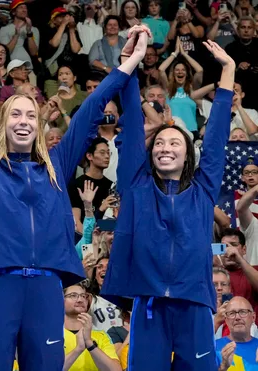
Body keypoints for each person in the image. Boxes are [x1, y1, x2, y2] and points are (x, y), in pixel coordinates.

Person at [0, 11, 147, 368]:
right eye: (15, 115)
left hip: (47, 287)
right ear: (3, 123)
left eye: (29, 116)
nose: (22, 122)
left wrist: (129, 61)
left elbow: (92, 110)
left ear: (38, 125)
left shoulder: (58, 163)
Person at [101, 26, 235, 369]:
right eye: (159, 142)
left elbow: (217, 139)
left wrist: (228, 73)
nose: (165, 147)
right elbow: (131, 124)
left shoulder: (203, 189)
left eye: (175, 142)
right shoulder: (136, 187)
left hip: (194, 305)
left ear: (188, 154)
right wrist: (130, 64)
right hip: (149, 306)